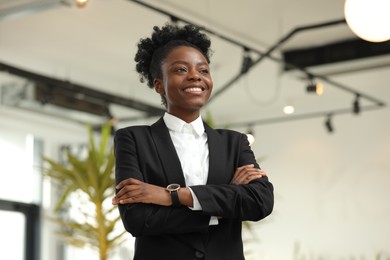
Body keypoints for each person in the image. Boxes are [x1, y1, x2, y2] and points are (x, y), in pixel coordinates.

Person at [112, 23, 274, 260]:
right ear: (159, 85)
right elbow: (138, 220)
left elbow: (260, 202)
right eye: (180, 69)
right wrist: (225, 200)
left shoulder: (234, 143)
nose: (195, 76)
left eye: (203, 70)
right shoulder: (133, 139)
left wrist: (173, 197)